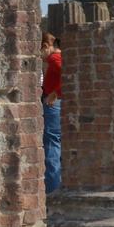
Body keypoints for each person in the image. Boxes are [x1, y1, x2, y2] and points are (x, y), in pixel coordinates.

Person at [42, 32, 62, 194]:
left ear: (46, 47)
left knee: (51, 144)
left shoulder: (54, 59)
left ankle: (52, 187)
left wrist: (55, 93)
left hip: (53, 104)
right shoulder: (55, 58)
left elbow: (65, 76)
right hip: (55, 103)